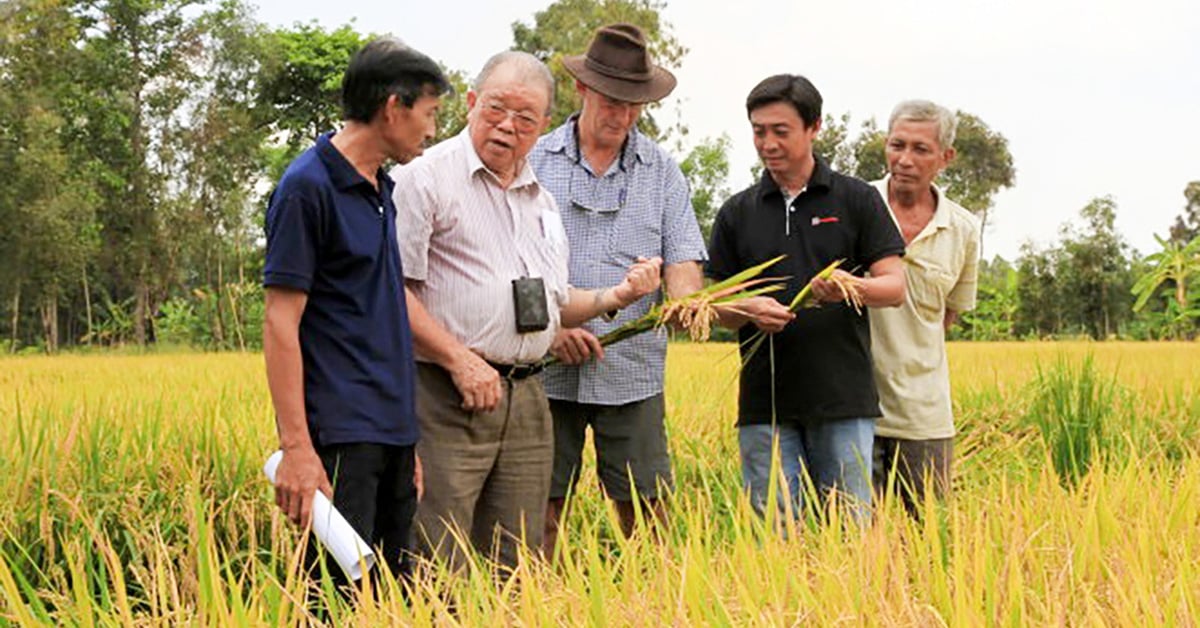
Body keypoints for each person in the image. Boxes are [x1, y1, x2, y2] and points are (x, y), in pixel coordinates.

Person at [391, 50, 663, 572]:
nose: (507, 127)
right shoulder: (423, 180)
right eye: (495, 109)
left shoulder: (539, 199)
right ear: (470, 104)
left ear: (542, 127)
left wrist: (617, 296)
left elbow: (557, 302)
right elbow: (391, 291)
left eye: (524, 118)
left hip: (527, 397)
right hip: (446, 395)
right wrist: (458, 359)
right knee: (436, 552)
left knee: (517, 560)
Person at [262, 38, 450, 585]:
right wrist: (297, 448)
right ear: (394, 106)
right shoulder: (306, 189)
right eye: (430, 113)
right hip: (340, 435)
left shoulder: (381, 189)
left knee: (393, 592)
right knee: (336, 596)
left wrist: (404, 438)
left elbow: (384, 309)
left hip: (390, 432)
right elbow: (280, 322)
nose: (432, 130)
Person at [526, 23, 707, 555]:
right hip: (543, 368)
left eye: (633, 106)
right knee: (540, 503)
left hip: (632, 369)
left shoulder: (663, 172)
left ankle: (656, 602)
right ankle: (535, 602)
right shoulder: (533, 162)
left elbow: (684, 258)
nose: (621, 116)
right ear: (581, 90)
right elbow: (506, 259)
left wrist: (685, 302)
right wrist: (552, 327)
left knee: (646, 505)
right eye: (610, 101)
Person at [706, 74, 906, 523]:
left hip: (843, 400)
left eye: (781, 131)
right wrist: (746, 309)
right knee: (773, 537)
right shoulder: (738, 212)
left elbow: (894, 286)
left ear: (814, 127)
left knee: (849, 536)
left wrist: (848, 287)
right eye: (759, 131)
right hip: (764, 405)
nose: (768, 143)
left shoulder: (856, 199)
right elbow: (713, 304)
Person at [869, 100, 980, 516]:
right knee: (853, 547)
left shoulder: (963, 230)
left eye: (920, 149)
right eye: (897, 145)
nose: (905, 160)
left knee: (929, 543)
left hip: (924, 417)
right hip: (853, 412)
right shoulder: (854, 206)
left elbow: (946, 317)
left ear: (945, 158)